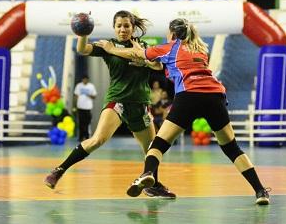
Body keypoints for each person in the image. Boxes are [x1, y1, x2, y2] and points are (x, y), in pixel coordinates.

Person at [96, 18, 271, 205]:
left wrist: (111, 49)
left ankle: (147, 175)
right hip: (215, 96)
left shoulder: (170, 47)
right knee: (232, 148)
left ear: (172, 34)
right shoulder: (201, 50)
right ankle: (260, 191)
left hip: (189, 95)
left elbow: (138, 53)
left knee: (159, 144)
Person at [44, 10, 176, 198]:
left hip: (140, 105)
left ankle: (151, 185)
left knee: (152, 148)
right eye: (119, 26)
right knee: (97, 140)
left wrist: (144, 61)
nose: (123, 29)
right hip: (118, 101)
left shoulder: (143, 46)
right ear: (114, 28)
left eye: (127, 26)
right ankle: (59, 170)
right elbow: (83, 50)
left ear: (132, 27)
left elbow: (159, 66)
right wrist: (83, 34)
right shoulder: (108, 45)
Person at [73, 75, 97, 141]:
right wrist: (75, 105)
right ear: (82, 79)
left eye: (86, 79)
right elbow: (76, 96)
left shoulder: (91, 86)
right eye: (83, 79)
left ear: (88, 80)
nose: (85, 80)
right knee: (81, 123)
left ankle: (86, 136)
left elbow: (94, 96)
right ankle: (80, 137)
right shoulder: (79, 86)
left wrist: (89, 95)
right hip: (80, 107)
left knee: (87, 122)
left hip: (88, 107)